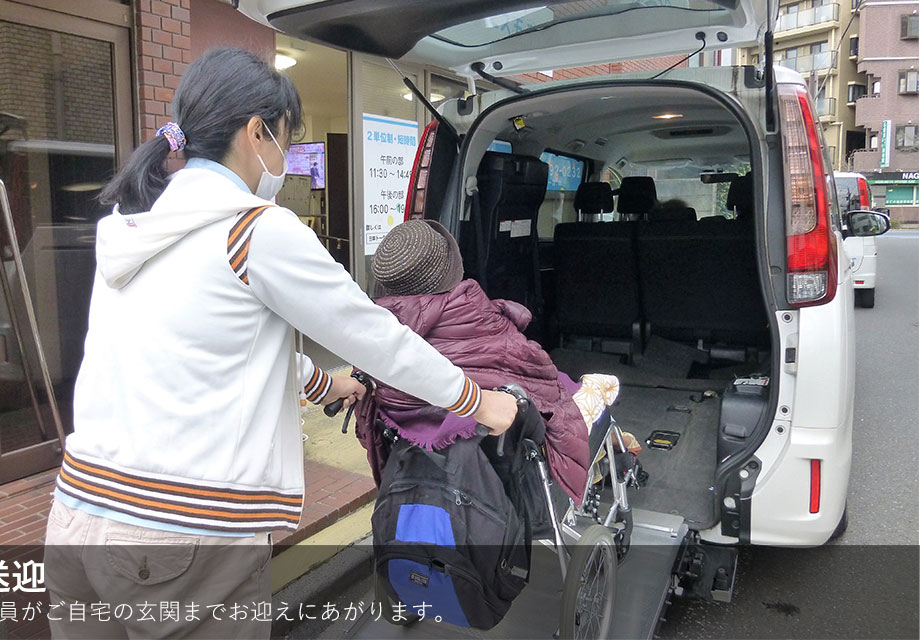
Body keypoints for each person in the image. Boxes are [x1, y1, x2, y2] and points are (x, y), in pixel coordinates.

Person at [42, 47, 518, 639]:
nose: (285, 160)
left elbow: (215, 348)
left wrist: (326, 384)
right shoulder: (252, 229)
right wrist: (479, 402)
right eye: (285, 141)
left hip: (76, 515)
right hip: (179, 536)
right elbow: (376, 338)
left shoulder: (134, 229)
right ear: (255, 132)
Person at [353, 219, 593, 506]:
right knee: (585, 389)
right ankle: (614, 448)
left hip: (418, 453)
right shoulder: (479, 317)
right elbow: (541, 374)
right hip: (493, 450)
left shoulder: (374, 339)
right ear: (450, 269)